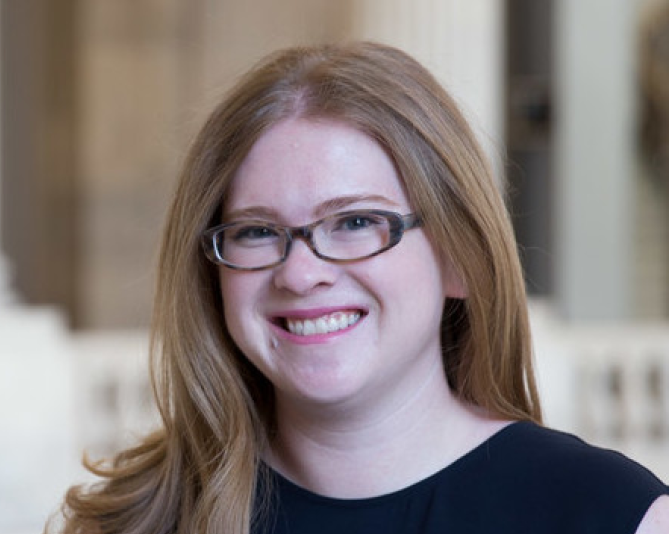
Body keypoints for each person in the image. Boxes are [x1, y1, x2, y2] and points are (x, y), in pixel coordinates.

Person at [51, 41, 669, 534]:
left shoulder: (610, 515)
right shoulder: (131, 522)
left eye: (355, 222)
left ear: (460, 257)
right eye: (257, 231)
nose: (299, 273)